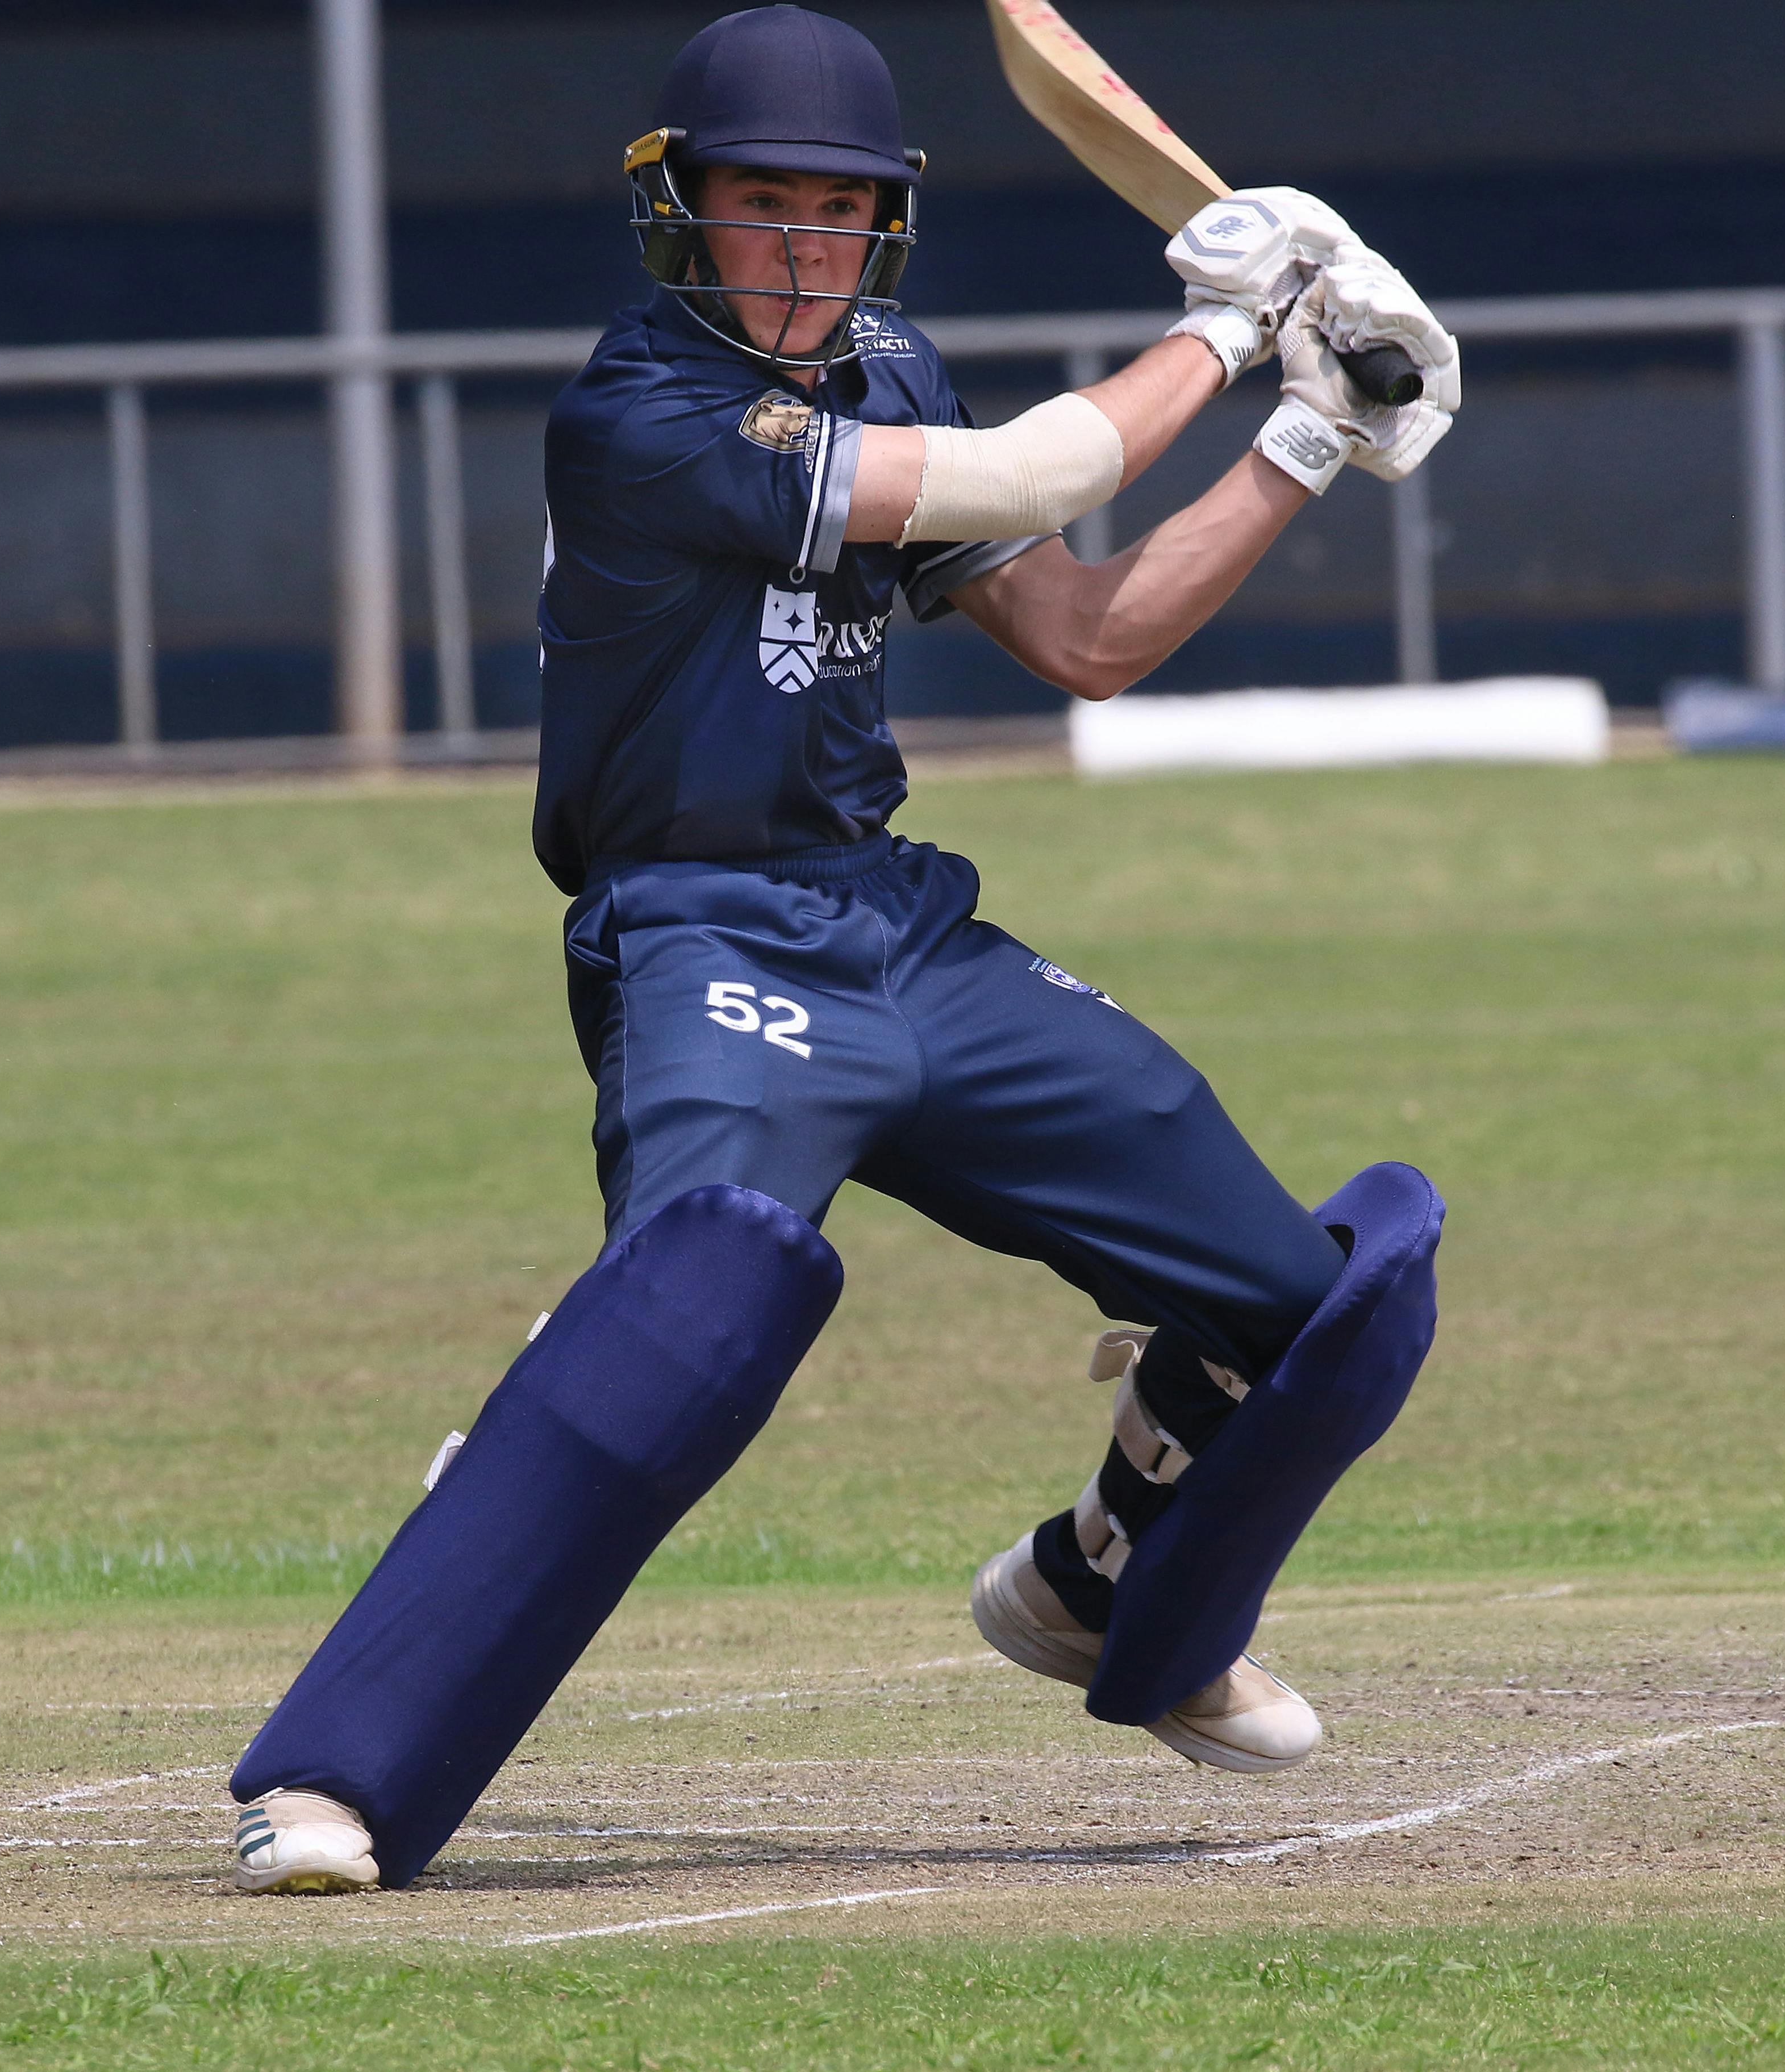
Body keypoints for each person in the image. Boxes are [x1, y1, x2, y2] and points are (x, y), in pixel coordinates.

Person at [225, 4, 1454, 1896]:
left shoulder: (890, 359)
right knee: (675, 1328)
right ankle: (338, 1783)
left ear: (883, 226)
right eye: (758, 205)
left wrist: (1307, 430)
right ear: (682, 212)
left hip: (898, 923)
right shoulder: (638, 412)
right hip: (700, 929)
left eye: (833, 209)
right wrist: (1229, 324)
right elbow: (1011, 485)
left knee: (1307, 1303)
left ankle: (1108, 1586)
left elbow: (1091, 634)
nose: (798, 245)